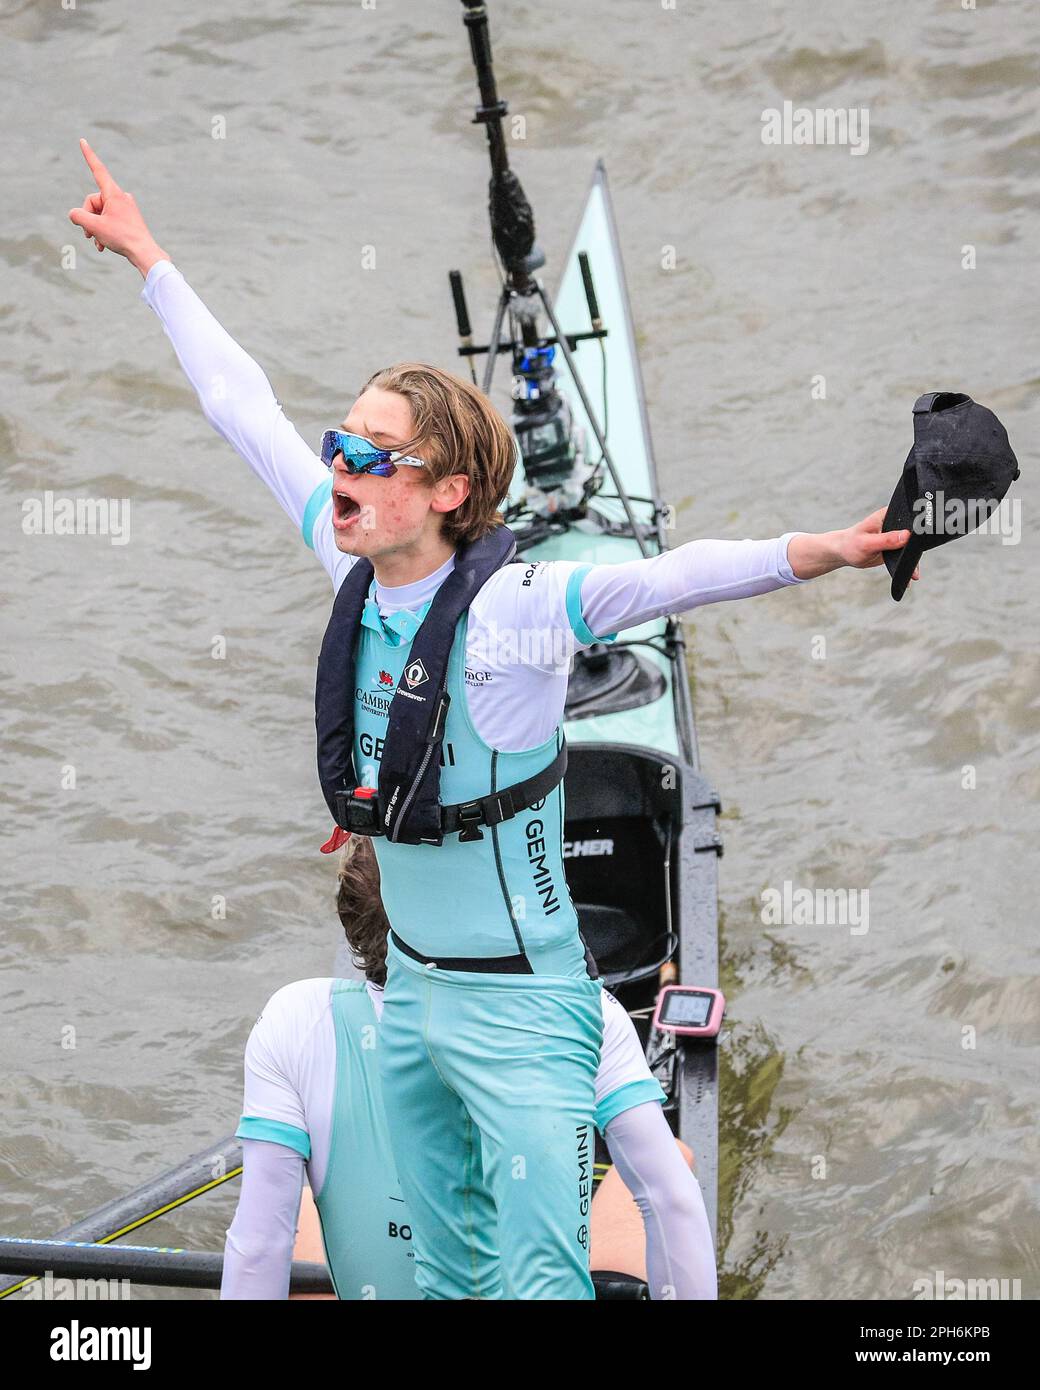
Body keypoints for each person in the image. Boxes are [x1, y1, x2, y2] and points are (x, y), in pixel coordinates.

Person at [69, 139, 918, 1300]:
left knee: (535, 1282)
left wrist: (828, 547)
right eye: (340, 446)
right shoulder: (349, 550)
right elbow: (237, 405)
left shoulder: (522, 612)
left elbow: (675, 578)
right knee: (437, 1278)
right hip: (410, 993)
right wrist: (149, 255)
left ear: (448, 493)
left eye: (371, 454)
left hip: (525, 1009)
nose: (339, 466)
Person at [221, 835, 717, 1300]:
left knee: (303, 1203)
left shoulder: (295, 1019)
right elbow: (673, 1204)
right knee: (674, 1161)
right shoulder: (587, 1011)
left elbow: (260, 1246)